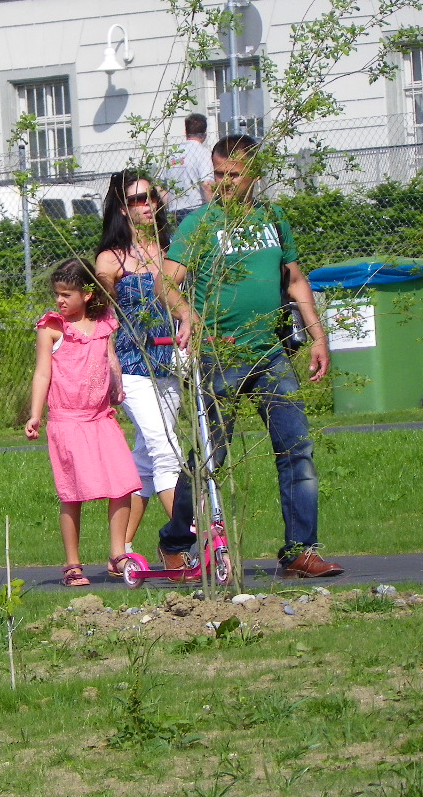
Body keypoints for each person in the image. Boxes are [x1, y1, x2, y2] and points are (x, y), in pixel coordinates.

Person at [157, 134, 342, 579]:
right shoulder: (200, 224)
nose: (223, 183)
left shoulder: (273, 218)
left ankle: (299, 551)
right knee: (211, 456)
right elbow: (166, 282)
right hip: (219, 356)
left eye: (233, 175)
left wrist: (317, 336)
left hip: (270, 354)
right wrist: (186, 313)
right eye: (218, 174)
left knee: (296, 447)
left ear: (255, 174)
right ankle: (176, 540)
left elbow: (294, 279)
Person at [25, 257, 142, 586]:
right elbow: (42, 373)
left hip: (101, 418)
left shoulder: (104, 322)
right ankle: (72, 564)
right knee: (72, 493)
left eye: (67, 294)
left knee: (122, 483)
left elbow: (110, 358)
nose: (59, 300)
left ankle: (118, 553)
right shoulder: (52, 327)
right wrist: (35, 414)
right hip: (68, 421)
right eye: (57, 294)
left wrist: (116, 385)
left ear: (87, 294)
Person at [94, 171, 182, 569]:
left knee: (146, 459)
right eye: (136, 199)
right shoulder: (111, 259)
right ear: (121, 208)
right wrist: (108, 361)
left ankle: (122, 551)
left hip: (168, 363)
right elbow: (102, 313)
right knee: (166, 450)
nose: (147, 205)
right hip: (131, 365)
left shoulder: (172, 250)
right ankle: (189, 538)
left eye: (151, 197)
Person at [158, 113, 214, 224]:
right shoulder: (203, 153)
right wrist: (212, 210)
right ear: (205, 133)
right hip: (197, 208)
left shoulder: (173, 154)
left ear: (186, 131)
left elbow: (158, 184)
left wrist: (169, 202)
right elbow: (207, 184)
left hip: (174, 210)